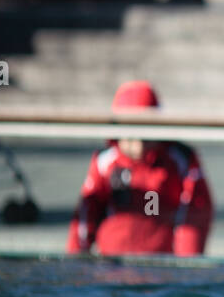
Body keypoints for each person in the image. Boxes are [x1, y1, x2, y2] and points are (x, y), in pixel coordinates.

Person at [66, 80, 213, 256]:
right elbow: (86, 211)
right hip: (112, 266)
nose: (138, 147)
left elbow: (195, 210)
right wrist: (76, 257)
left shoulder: (180, 160)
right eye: (129, 138)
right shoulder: (105, 162)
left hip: (162, 266)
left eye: (145, 137)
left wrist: (186, 263)